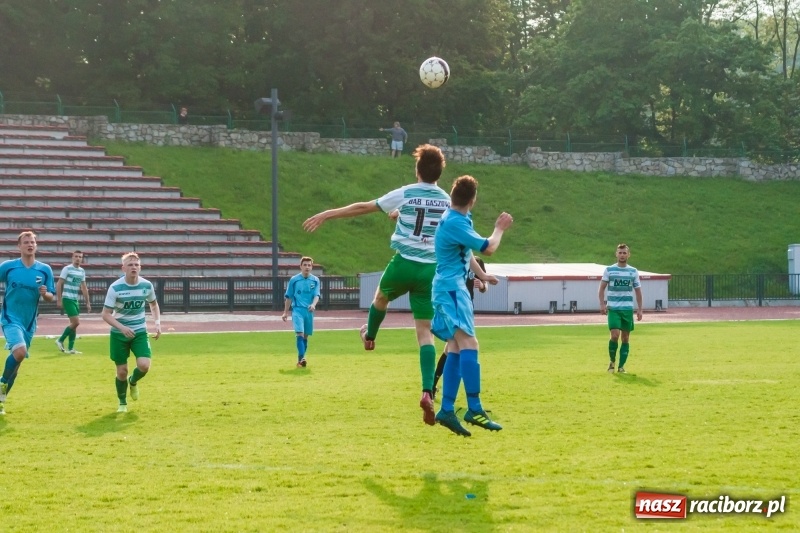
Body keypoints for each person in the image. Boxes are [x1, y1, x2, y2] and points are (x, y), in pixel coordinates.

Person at [304, 144, 474, 426]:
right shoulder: (447, 202)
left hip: (403, 263)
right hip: (430, 271)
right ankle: (426, 391)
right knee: (424, 335)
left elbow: (365, 207)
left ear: (417, 170)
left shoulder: (407, 192)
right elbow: (459, 241)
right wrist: (479, 274)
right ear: (440, 173)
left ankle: (369, 335)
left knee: (380, 298)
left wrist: (327, 214)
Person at [431, 175, 513, 437]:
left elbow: (466, 252)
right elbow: (487, 248)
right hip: (451, 290)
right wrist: (499, 228)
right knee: (470, 344)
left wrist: (481, 275)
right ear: (473, 199)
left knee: (455, 346)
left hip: (451, 288)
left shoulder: (457, 218)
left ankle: (446, 409)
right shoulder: (456, 221)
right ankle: (474, 408)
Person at [0, 231, 56, 415]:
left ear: (36, 246)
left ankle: (1, 401)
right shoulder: (8, 267)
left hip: (29, 323)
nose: (30, 245)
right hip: (10, 318)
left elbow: (51, 297)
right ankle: (1, 382)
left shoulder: (44, 269)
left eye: (32, 242)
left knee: (17, 365)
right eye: (26, 242)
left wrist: (44, 293)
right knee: (20, 351)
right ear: (19, 246)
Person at [101, 252, 161, 413]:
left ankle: (133, 382)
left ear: (140, 267)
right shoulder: (115, 288)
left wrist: (157, 324)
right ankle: (122, 403)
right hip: (119, 334)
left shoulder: (146, 286)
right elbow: (105, 314)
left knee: (144, 365)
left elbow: (153, 304)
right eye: (130, 264)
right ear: (123, 268)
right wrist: (122, 328)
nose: (134, 267)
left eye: (136, 264)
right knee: (121, 371)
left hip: (139, 332)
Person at [432, 257, 486, 399]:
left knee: (451, 348)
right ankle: (471, 399)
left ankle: (435, 387)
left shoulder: (477, 262)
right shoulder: (453, 258)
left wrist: (482, 285)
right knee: (463, 346)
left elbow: (485, 286)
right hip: (453, 306)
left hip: (467, 309)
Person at [598, 243, 643, 374]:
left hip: (627, 309)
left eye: (624, 253)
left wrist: (640, 309)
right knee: (614, 335)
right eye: (620, 252)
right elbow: (601, 288)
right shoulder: (609, 270)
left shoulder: (633, 271)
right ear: (616, 254)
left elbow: (638, 291)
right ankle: (612, 362)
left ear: (628, 255)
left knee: (625, 338)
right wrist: (602, 304)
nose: (622, 255)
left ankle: (621, 366)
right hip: (613, 308)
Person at [282, 256, 321, 368]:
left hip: (309, 312)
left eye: (309, 265)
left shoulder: (315, 280)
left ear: (312, 267)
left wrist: (313, 305)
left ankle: (300, 361)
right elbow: (289, 297)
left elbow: (316, 295)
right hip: (297, 310)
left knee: (306, 337)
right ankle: (303, 358)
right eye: (305, 265)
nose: (307, 267)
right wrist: (285, 312)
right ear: (300, 266)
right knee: (300, 333)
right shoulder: (294, 280)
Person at [55, 250, 92, 354]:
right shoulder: (67, 269)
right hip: (67, 298)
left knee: (73, 324)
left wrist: (87, 302)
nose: (78, 258)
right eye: (76, 256)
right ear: (72, 257)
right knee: (76, 322)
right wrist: (59, 299)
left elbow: (84, 287)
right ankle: (60, 340)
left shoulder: (82, 271)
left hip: (75, 299)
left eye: (80, 257)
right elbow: (59, 284)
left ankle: (71, 349)